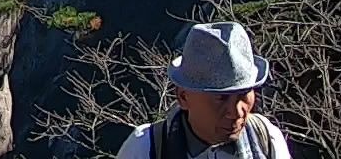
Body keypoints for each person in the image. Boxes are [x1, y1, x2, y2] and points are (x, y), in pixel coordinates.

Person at [115, 21, 293, 159]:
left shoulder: (265, 137)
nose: (236, 111)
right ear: (183, 97)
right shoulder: (146, 148)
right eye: (221, 97)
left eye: (243, 94)